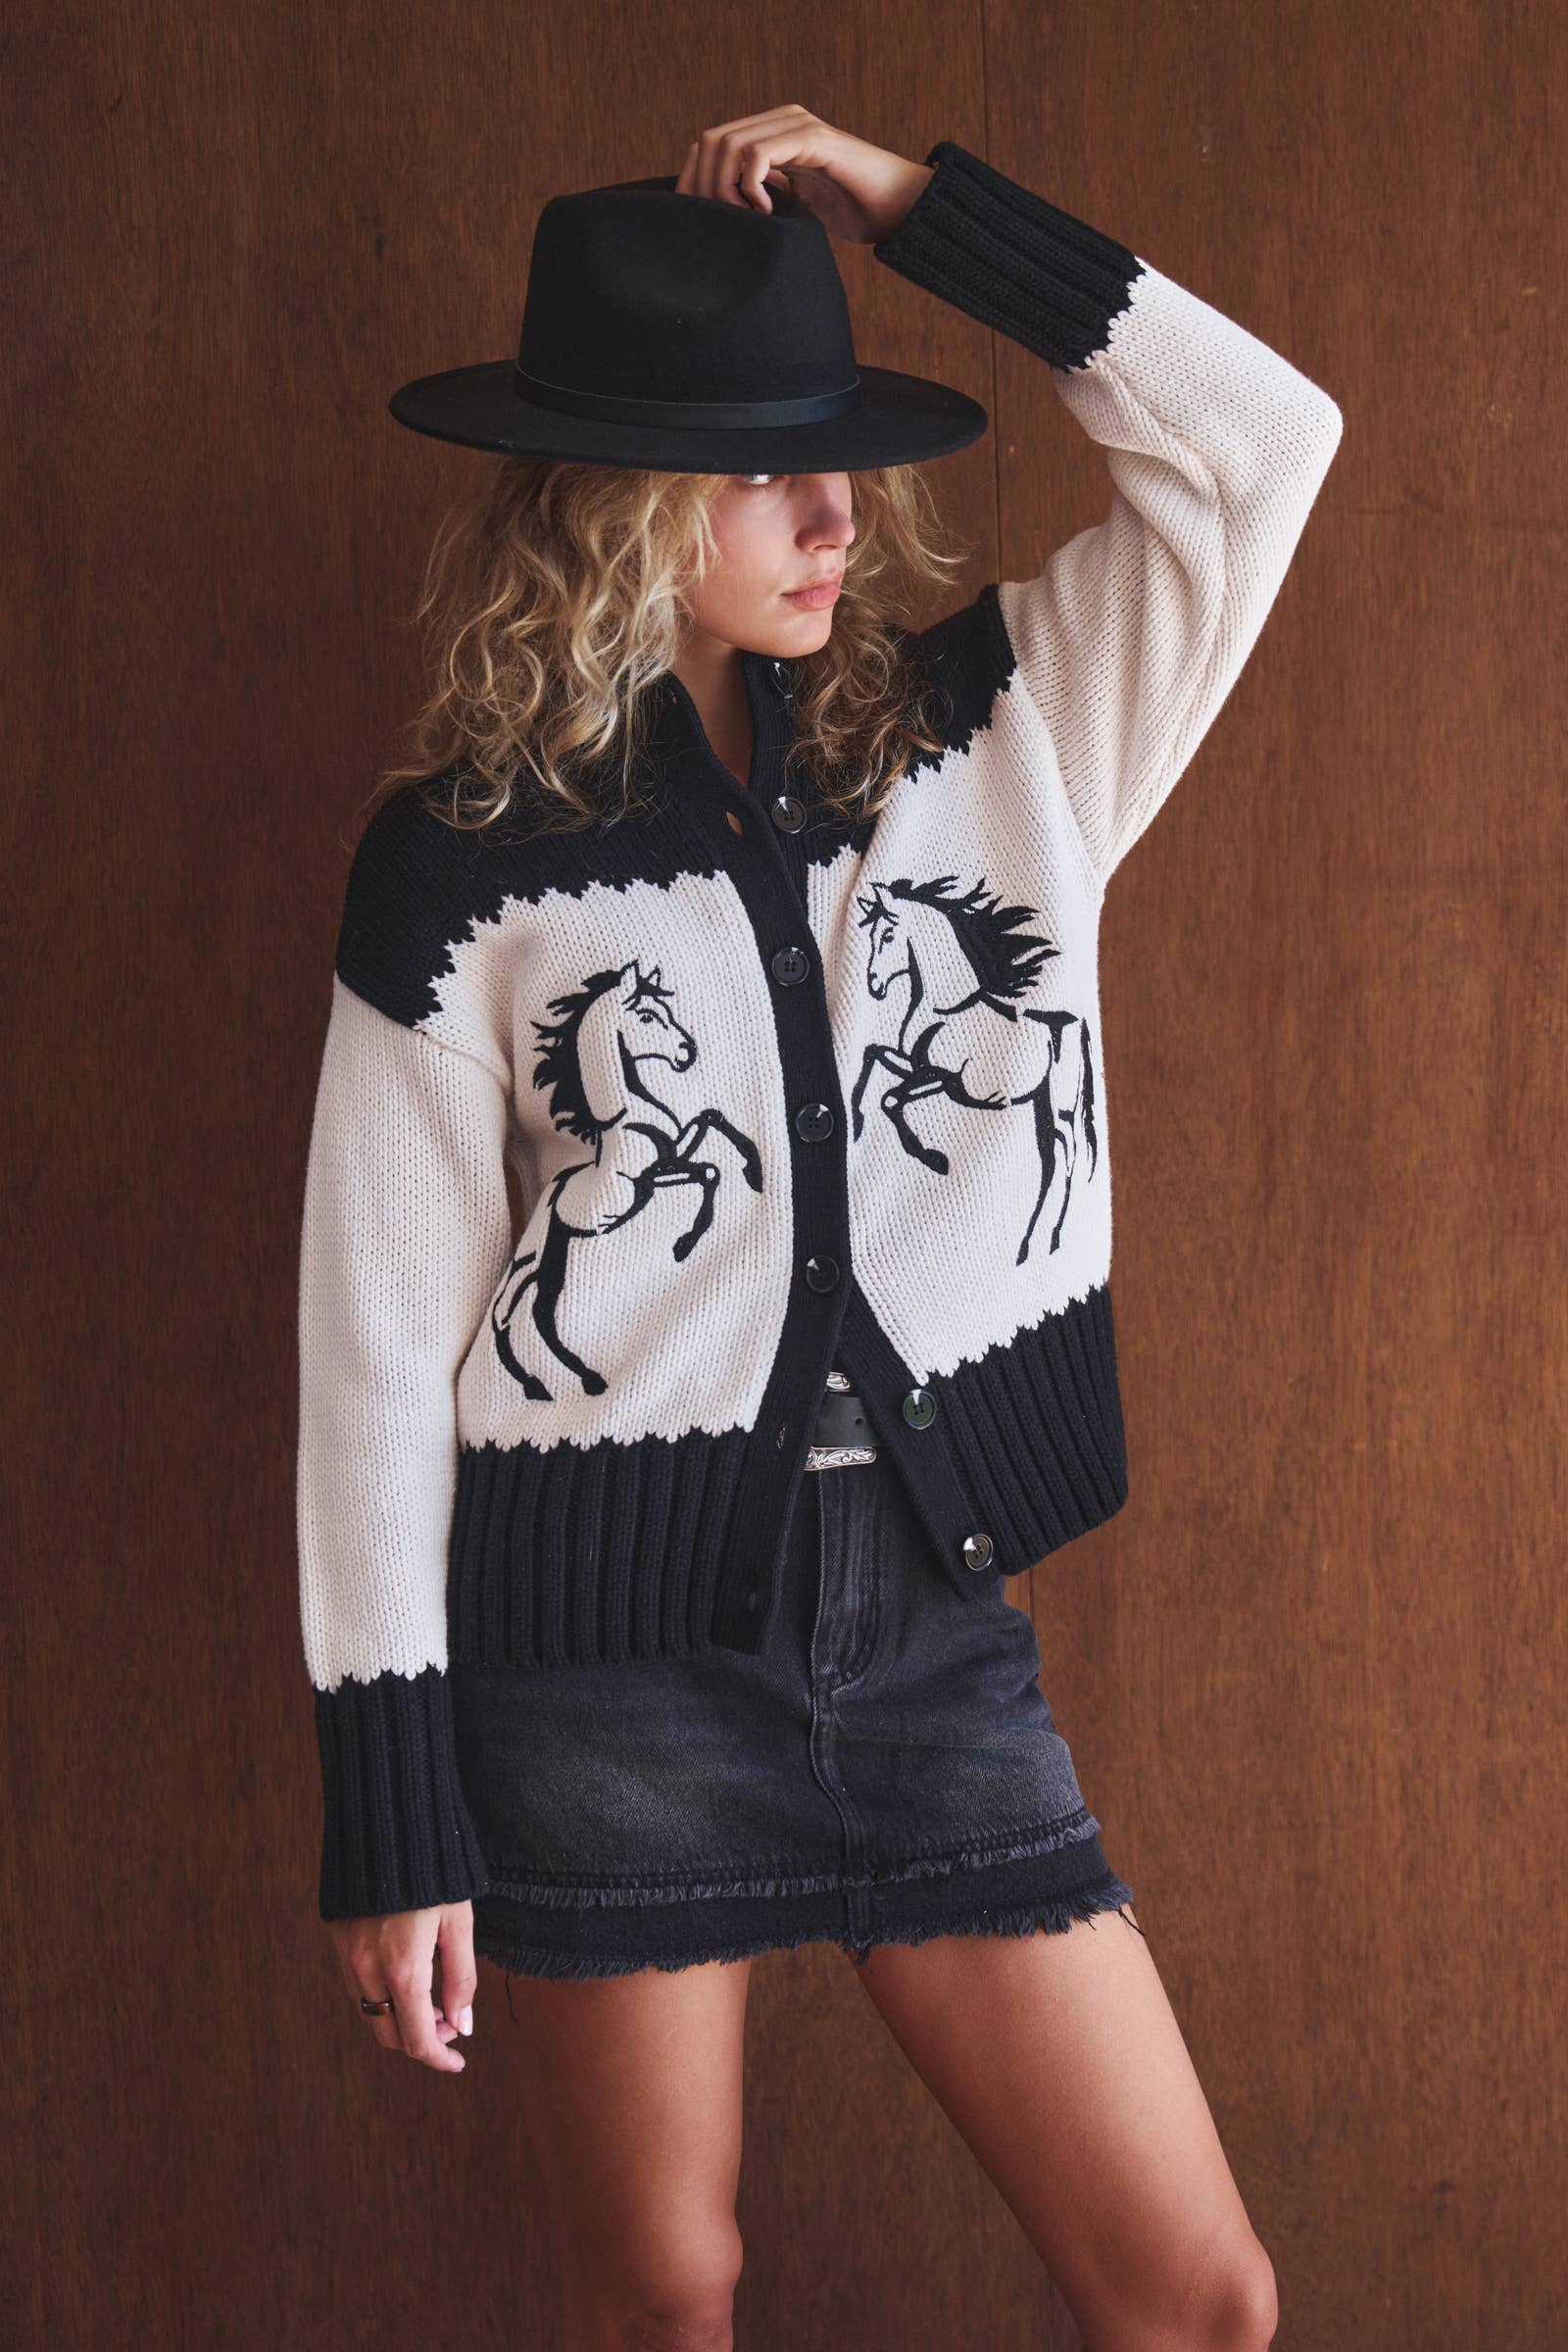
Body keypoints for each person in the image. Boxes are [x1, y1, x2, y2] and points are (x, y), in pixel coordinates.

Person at [296, 105, 1341, 2350]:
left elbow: (1265, 448)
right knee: (663, 2296)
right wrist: (388, 1803)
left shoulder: (1003, 732)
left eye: (839, 452)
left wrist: (921, 210)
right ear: (614, 492)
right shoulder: (460, 859)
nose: (835, 513)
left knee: (1198, 2297)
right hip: (605, 1676)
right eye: (767, 468)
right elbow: (372, 1352)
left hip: (932, 1637)